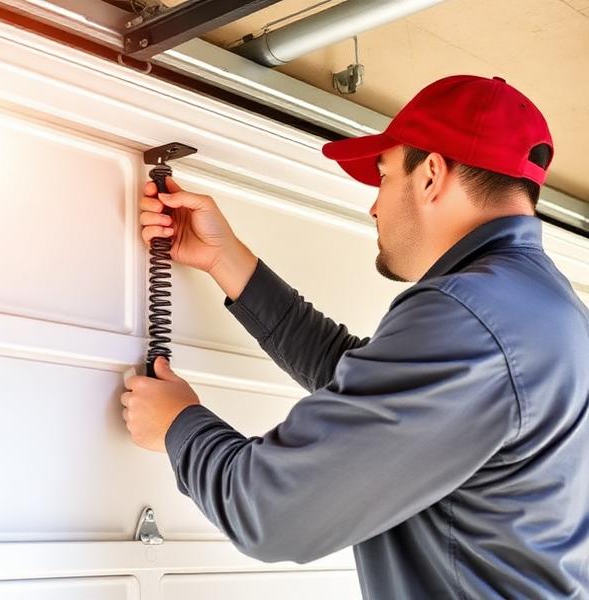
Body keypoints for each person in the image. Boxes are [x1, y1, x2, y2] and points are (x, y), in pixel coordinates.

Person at [120, 74, 589, 598]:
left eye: (383, 176)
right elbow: (376, 389)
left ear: (431, 174)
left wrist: (178, 425)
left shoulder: (468, 316)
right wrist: (226, 260)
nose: (373, 206)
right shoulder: (548, 312)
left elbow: (274, 512)